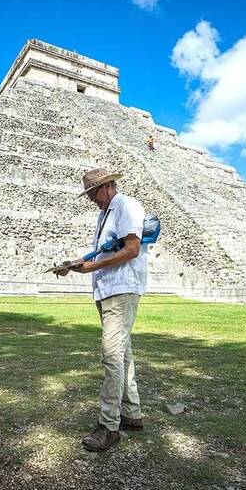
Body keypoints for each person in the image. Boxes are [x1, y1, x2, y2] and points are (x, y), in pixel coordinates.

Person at [55, 168, 148, 452]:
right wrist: (75, 265)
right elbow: (104, 251)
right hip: (108, 290)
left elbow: (132, 249)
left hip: (121, 289)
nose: (91, 199)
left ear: (106, 187)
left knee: (111, 355)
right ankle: (131, 413)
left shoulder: (127, 205)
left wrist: (91, 267)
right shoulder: (106, 213)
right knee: (123, 354)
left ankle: (109, 425)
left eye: (93, 193)